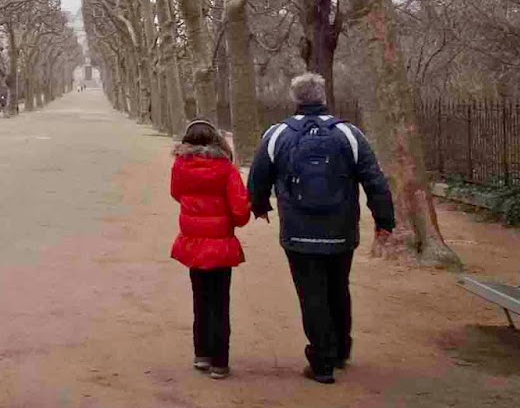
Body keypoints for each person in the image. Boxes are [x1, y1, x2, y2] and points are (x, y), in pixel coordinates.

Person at [248, 73, 395, 384]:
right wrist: (384, 221)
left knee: (311, 293)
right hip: (340, 228)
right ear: (323, 96)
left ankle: (321, 361)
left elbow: (258, 176)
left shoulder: (278, 134)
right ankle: (341, 350)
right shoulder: (349, 134)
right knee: (338, 286)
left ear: (296, 99)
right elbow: (375, 180)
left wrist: (260, 207)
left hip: (298, 231)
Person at [169, 118, 252, 379]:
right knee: (220, 302)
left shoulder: (181, 166)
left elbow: (176, 194)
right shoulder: (226, 169)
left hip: (194, 243)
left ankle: (201, 354)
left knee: (200, 299)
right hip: (220, 244)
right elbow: (240, 212)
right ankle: (220, 361)